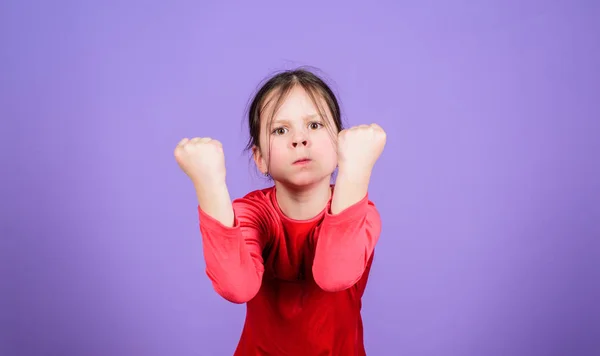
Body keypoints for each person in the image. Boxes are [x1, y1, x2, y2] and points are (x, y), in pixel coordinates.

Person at [174, 68, 386, 355]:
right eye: (280, 130)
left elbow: (335, 275)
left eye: (314, 125)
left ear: (340, 144)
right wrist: (210, 185)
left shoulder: (362, 213)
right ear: (260, 159)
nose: (299, 140)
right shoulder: (251, 213)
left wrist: (357, 171)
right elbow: (236, 287)